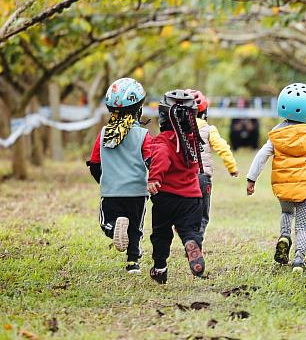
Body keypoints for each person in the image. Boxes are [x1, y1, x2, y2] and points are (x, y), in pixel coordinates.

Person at [247, 83, 306, 272]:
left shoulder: (276, 135)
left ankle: (284, 236)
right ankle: (298, 260)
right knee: (303, 226)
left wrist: (251, 179)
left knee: (287, 213)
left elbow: (261, 156)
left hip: (284, 188)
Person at [86, 78, 151, 274]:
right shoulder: (143, 135)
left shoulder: (104, 133)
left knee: (106, 222)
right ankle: (133, 264)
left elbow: (95, 164)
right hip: (137, 193)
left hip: (112, 191)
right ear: (138, 109)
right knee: (136, 229)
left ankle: (113, 228)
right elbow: (151, 161)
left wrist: (105, 181)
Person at [147, 89, 206, 284]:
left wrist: (154, 177)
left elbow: (162, 157)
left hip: (166, 198)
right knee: (189, 230)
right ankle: (191, 243)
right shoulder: (193, 141)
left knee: (161, 234)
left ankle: (160, 268)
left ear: (164, 116)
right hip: (192, 198)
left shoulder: (163, 141)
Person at [185, 89, 239, 242]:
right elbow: (223, 148)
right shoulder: (208, 130)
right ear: (204, 112)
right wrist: (232, 167)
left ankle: (187, 234)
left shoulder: (176, 130)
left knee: (184, 211)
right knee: (202, 215)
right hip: (202, 178)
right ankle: (195, 240)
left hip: (181, 179)